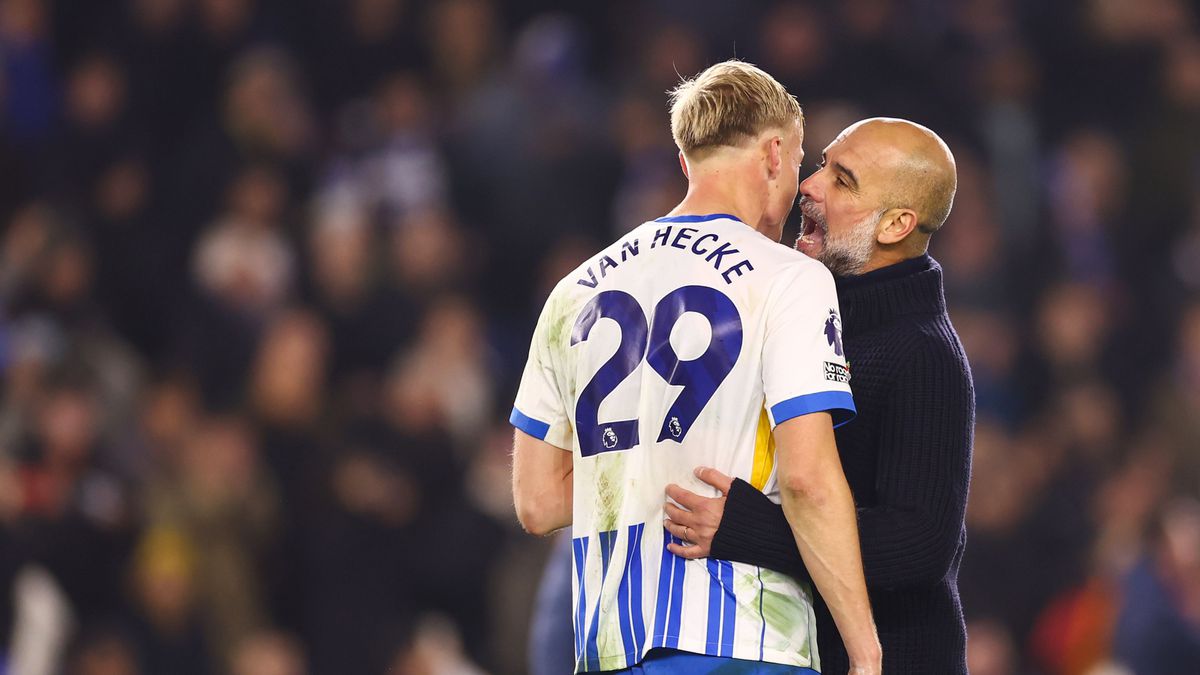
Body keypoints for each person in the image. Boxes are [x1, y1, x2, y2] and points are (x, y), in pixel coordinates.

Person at [509, 60, 881, 674]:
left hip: (609, 648)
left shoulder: (572, 292)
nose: (796, 190)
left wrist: (646, 473)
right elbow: (808, 480)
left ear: (687, 163)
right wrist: (865, 652)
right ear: (774, 153)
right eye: (798, 164)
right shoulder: (789, 279)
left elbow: (538, 501)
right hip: (744, 642)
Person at [661, 117, 975, 674]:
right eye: (823, 163)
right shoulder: (801, 312)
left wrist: (754, 532)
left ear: (896, 224)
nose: (808, 184)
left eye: (843, 180)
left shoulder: (923, 353)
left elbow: (921, 543)